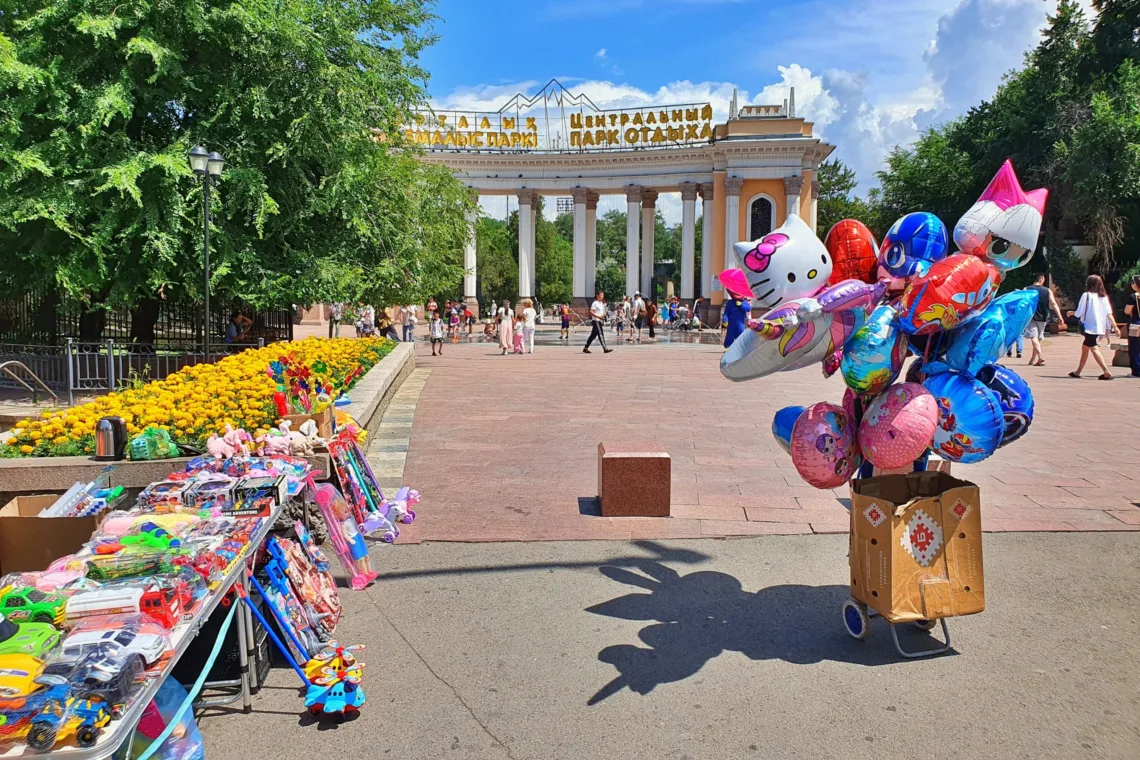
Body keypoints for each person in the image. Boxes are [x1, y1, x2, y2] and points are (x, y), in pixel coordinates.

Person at [1068, 274, 1118, 380]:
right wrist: (1115, 326)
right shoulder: (1103, 297)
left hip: (1089, 327)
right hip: (1098, 327)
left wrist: (1071, 313)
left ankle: (1106, 372)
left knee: (1094, 348)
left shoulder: (1086, 295)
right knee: (1085, 348)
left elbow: (1079, 312)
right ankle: (1078, 371)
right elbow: (1109, 313)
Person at [1024, 273, 1063, 367]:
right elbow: (1053, 303)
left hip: (1031, 316)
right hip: (1043, 316)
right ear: (1041, 279)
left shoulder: (1026, 289)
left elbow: (1023, 303)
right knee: (1037, 338)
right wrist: (1060, 316)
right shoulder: (1047, 290)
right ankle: (1033, 359)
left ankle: (1040, 357)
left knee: (1034, 337)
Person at [722, 283, 752, 350]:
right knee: (730, 335)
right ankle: (727, 347)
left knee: (740, 335)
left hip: (740, 323)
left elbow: (748, 309)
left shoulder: (744, 302)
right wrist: (725, 320)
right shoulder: (730, 303)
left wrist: (741, 305)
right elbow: (726, 312)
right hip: (731, 323)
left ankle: (740, 348)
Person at [1124, 275, 1140, 378]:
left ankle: (1136, 371)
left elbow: (1127, 311)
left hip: (1136, 324)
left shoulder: (1134, 297)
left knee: (1135, 347)